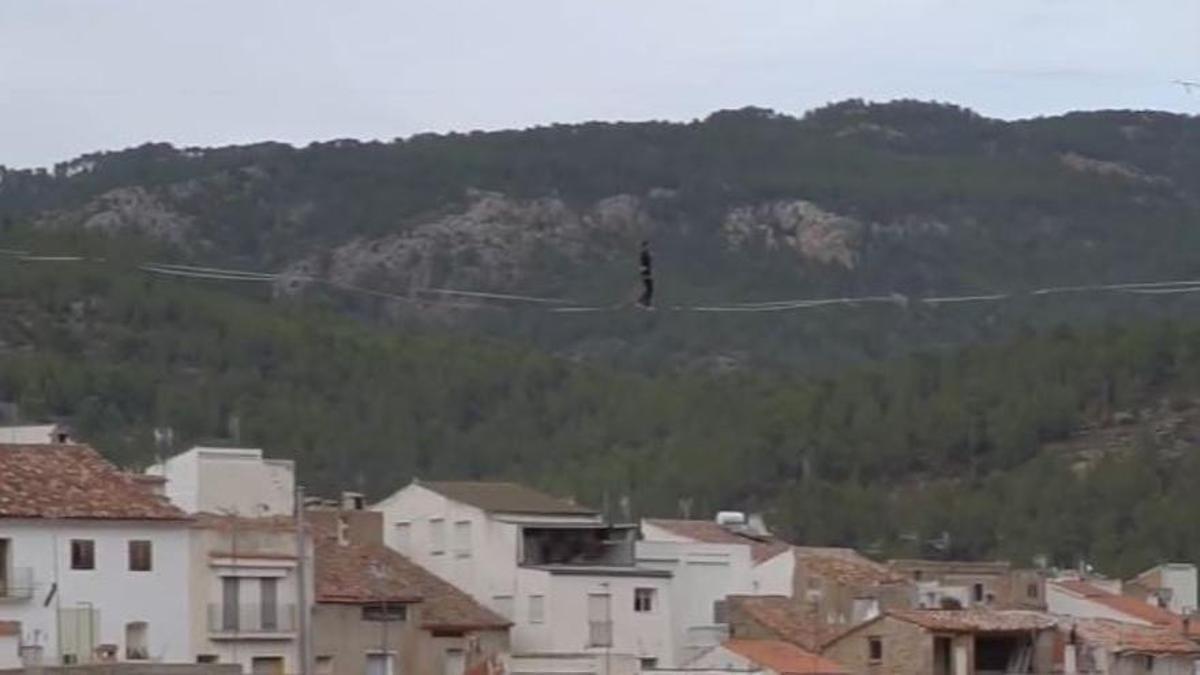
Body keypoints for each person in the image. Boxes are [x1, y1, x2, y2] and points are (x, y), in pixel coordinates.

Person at [638, 240, 654, 309]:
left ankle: (641, 302)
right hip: (646, 273)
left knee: (649, 289)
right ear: (644, 246)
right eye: (647, 246)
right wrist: (644, 274)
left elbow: (648, 264)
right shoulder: (644, 254)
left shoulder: (646, 254)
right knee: (650, 289)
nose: (649, 247)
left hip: (648, 272)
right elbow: (643, 265)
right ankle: (645, 304)